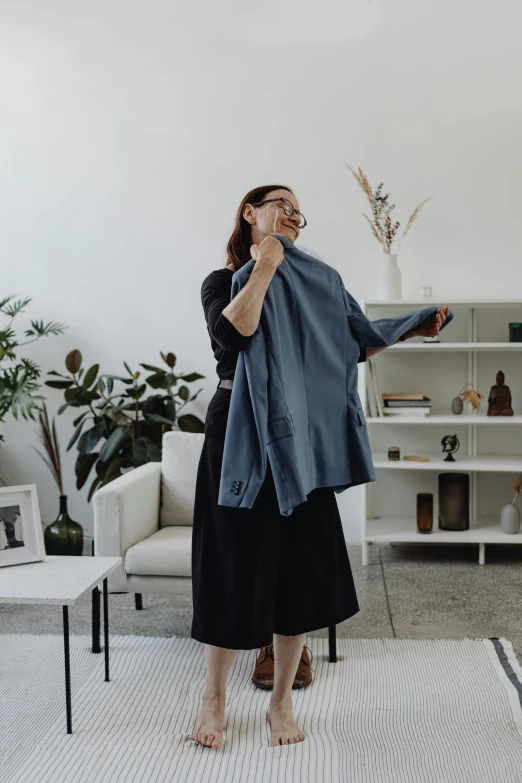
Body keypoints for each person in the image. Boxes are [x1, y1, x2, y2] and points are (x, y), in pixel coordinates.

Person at [191, 185, 450, 750]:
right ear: (249, 212)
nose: (292, 215)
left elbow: (351, 344)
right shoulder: (224, 280)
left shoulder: (319, 285)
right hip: (236, 431)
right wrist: (263, 266)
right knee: (232, 566)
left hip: (299, 439)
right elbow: (233, 331)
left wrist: (411, 328)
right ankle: (214, 697)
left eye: (299, 213)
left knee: (301, 568)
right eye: (280, 204)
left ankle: (280, 701)